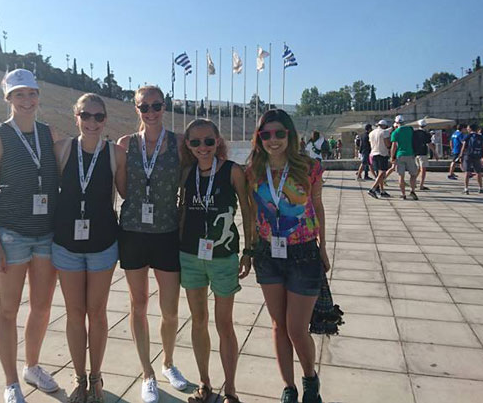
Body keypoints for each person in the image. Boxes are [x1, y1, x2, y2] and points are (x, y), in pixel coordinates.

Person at [0, 69, 60, 403]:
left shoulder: (49, 134)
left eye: (31, 94)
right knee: (8, 310)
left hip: (46, 234)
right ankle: (11, 381)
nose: (26, 101)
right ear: (8, 99)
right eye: (19, 95)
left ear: (38, 96)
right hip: (11, 234)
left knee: (41, 307)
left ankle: (32, 366)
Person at [246, 109, 328, 403]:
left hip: (304, 252)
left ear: (290, 135)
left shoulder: (309, 167)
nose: (273, 140)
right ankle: (289, 387)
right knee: (279, 325)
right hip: (268, 253)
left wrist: (324, 247)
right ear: (260, 138)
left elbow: (317, 207)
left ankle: (310, 379)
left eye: (279, 133)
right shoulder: (253, 170)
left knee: (296, 327)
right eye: (266, 134)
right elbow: (252, 212)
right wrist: (250, 248)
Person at [52, 93, 126, 403]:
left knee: (96, 313)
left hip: (103, 244)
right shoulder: (63, 150)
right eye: (86, 115)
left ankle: (96, 377)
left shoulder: (115, 153)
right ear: (76, 117)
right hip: (66, 243)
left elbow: (126, 193)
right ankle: (79, 378)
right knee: (74, 313)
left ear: (105, 119)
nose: (92, 122)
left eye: (98, 116)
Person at [117, 85, 188, 403]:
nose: (151, 111)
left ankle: (168, 363)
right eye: (144, 107)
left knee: (170, 310)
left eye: (157, 105)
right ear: (136, 109)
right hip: (132, 231)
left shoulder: (179, 143)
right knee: (139, 305)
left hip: (166, 232)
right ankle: (147, 373)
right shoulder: (125, 145)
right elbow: (120, 188)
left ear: (165, 106)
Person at [178, 119, 252, 403]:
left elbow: (247, 210)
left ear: (218, 141)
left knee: (224, 324)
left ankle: (230, 389)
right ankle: (204, 383)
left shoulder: (232, 171)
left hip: (223, 256)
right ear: (188, 144)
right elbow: (181, 211)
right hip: (190, 255)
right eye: (195, 142)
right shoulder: (187, 173)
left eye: (208, 141)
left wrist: (249, 250)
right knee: (198, 321)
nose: (203, 147)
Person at [389, 116, 419, 200]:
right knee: (413, 174)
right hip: (410, 154)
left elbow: (394, 146)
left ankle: (403, 194)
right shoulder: (410, 129)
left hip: (400, 155)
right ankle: (412, 191)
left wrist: (392, 157)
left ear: (396, 123)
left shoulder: (395, 132)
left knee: (401, 176)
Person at [458, 124, 483, 194]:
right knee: (478, 172)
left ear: (470, 129)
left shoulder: (468, 136)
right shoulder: (480, 137)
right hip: (477, 155)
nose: (467, 129)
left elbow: (464, 146)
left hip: (468, 155)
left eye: (468, 128)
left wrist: (460, 156)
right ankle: (480, 188)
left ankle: (466, 189)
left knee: (467, 172)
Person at [367, 119, 392, 198]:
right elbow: (387, 144)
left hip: (374, 153)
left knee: (379, 173)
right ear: (384, 126)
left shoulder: (371, 133)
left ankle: (382, 190)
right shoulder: (384, 132)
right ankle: (373, 189)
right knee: (382, 172)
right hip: (382, 153)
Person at [412, 119, 435, 191]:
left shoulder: (414, 133)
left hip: (415, 153)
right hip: (423, 153)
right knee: (423, 170)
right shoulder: (426, 134)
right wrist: (435, 153)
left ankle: (414, 182)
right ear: (425, 125)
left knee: (418, 169)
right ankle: (421, 185)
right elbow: (429, 144)